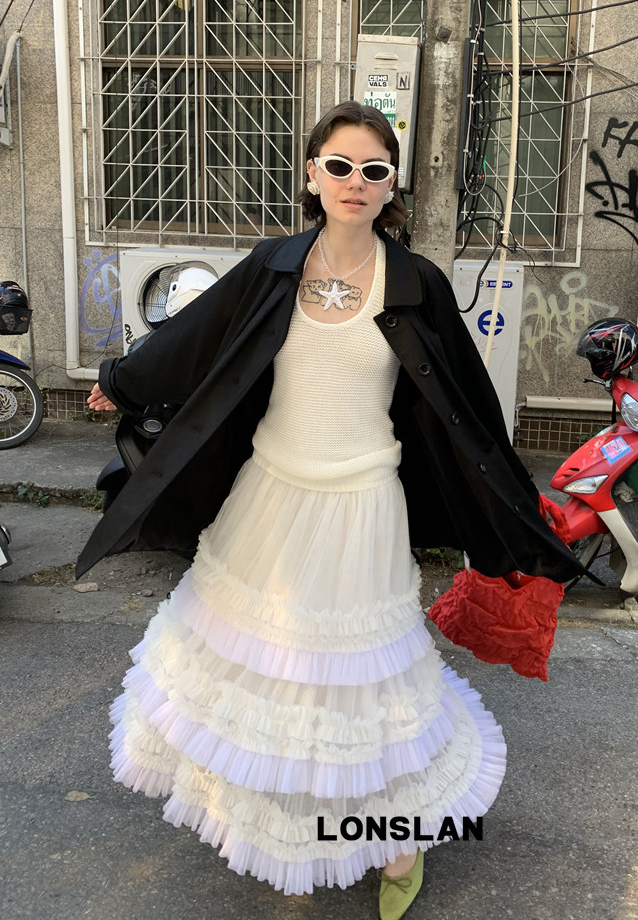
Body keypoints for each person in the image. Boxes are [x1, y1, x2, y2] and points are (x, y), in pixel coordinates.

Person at [84, 102, 581, 916]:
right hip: (270, 499)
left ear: (392, 186)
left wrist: (515, 505)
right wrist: (122, 379)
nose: (356, 182)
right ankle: (277, 815)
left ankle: (398, 843)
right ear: (312, 174)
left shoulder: (415, 283)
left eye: (373, 170)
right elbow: (195, 336)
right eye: (340, 166)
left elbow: (469, 403)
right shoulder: (274, 265)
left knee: (365, 688)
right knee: (265, 671)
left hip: (362, 509)